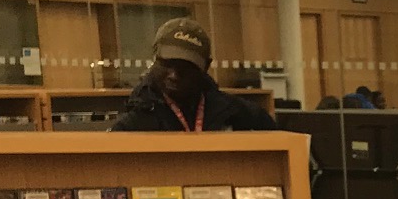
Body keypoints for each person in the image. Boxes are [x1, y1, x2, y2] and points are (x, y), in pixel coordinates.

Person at [110, 18, 277, 133]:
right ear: (155, 60)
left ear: (206, 67)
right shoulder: (132, 123)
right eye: (168, 64)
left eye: (186, 68)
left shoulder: (239, 115)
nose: (174, 75)